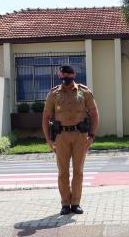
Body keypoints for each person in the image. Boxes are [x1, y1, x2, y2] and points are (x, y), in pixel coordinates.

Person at [42, 65, 99, 215]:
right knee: (63, 172)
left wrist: (91, 136)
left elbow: (94, 114)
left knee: (78, 171)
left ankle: (76, 203)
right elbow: (46, 118)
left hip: (80, 136)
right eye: (63, 75)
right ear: (60, 76)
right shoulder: (54, 94)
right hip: (61, 137)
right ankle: (65, 204)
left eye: (68, 75)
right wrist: (49, 140)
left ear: (73, 75)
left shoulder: (84, 92)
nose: (65, 77)